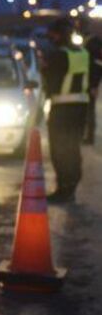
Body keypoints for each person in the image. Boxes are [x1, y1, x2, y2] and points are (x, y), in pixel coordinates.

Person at [41, 18, 93, 202]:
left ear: (60, 35)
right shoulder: (83, 53)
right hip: (80, 108)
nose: (50, 37)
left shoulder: (58, 55)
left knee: (60, 149)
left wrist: (44, 67)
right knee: (72, 147)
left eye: (53, 34)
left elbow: (49, 81)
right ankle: (71, 185)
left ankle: (63, 187)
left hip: (62, 109)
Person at [83, 34, 102, 144]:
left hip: (86, 86)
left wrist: (93, 86)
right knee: (89, 111)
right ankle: (89, 136)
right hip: (90, 86)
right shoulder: (97, 59)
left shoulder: (91, 57)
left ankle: (88, 137)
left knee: (88, 112)